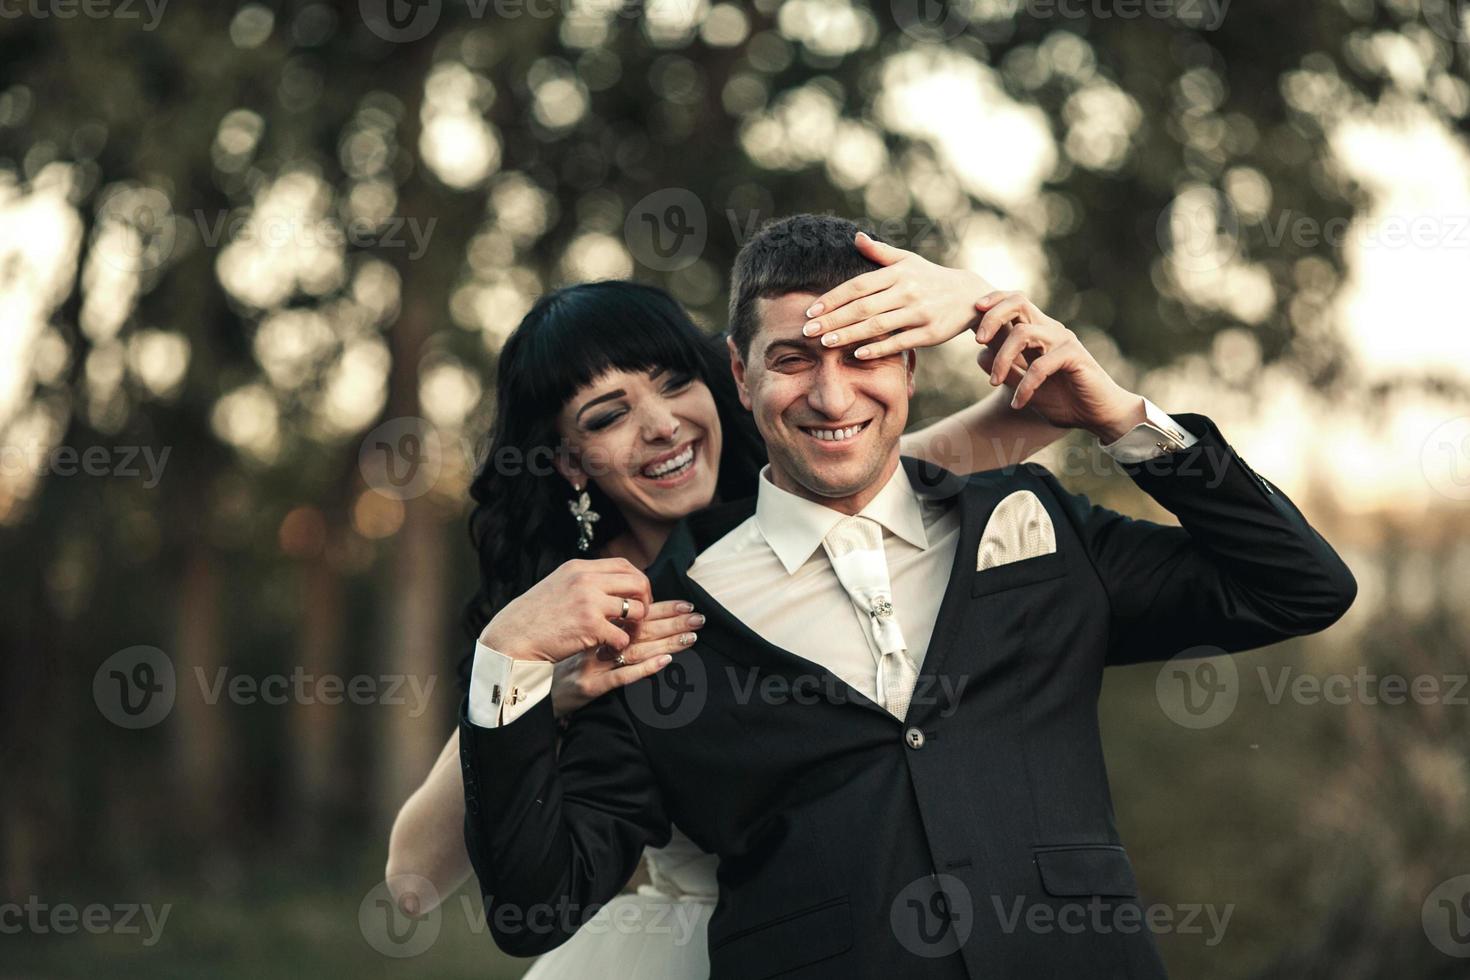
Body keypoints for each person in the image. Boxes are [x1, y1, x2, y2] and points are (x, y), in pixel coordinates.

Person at [458, 214, 1357, 979]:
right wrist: (504, 665)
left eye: (865, 353)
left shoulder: (1031, 520)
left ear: (911, 366)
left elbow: (1300, 587)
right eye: (795, 359)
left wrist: (1122, 414)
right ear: (742, 375)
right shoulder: (654, 625)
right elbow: (533, 910)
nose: (833, 391)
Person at [385, 238, 1068, 977]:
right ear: (570, 463)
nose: (661, 425)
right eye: (610, 415)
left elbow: (1041, 409)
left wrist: (969, 301)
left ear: (724, 381)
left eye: (674, 382)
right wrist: (543, 697)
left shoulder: (820, 495)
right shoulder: (562, 617)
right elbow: (411, 880)